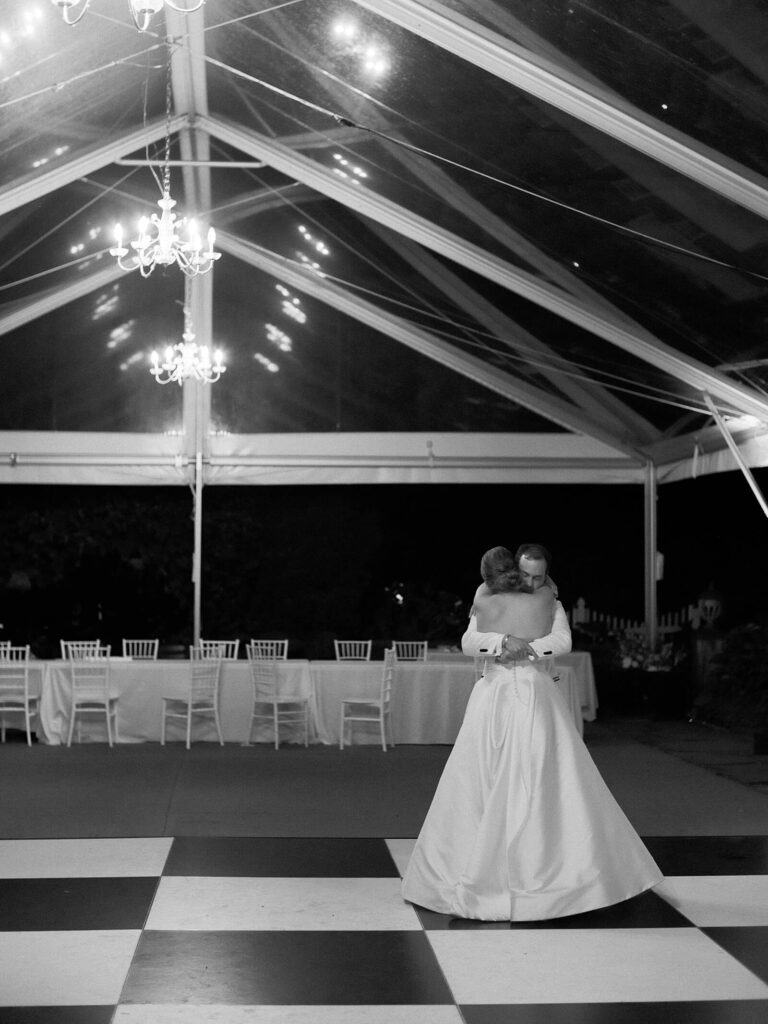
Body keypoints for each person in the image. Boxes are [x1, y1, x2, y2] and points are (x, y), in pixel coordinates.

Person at [401, 545, 663, 921]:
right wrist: (502, 642)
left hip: (537, 696)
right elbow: (469, 641)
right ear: (514, 568)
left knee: (548, 775)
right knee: (479, 776)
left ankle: (556, 871)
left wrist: (527, 649)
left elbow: (562, 640)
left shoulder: (551, 601)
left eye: (539, 576)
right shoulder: (488, 595)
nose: (532, 582)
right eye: (526, 575)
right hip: (493, 696)